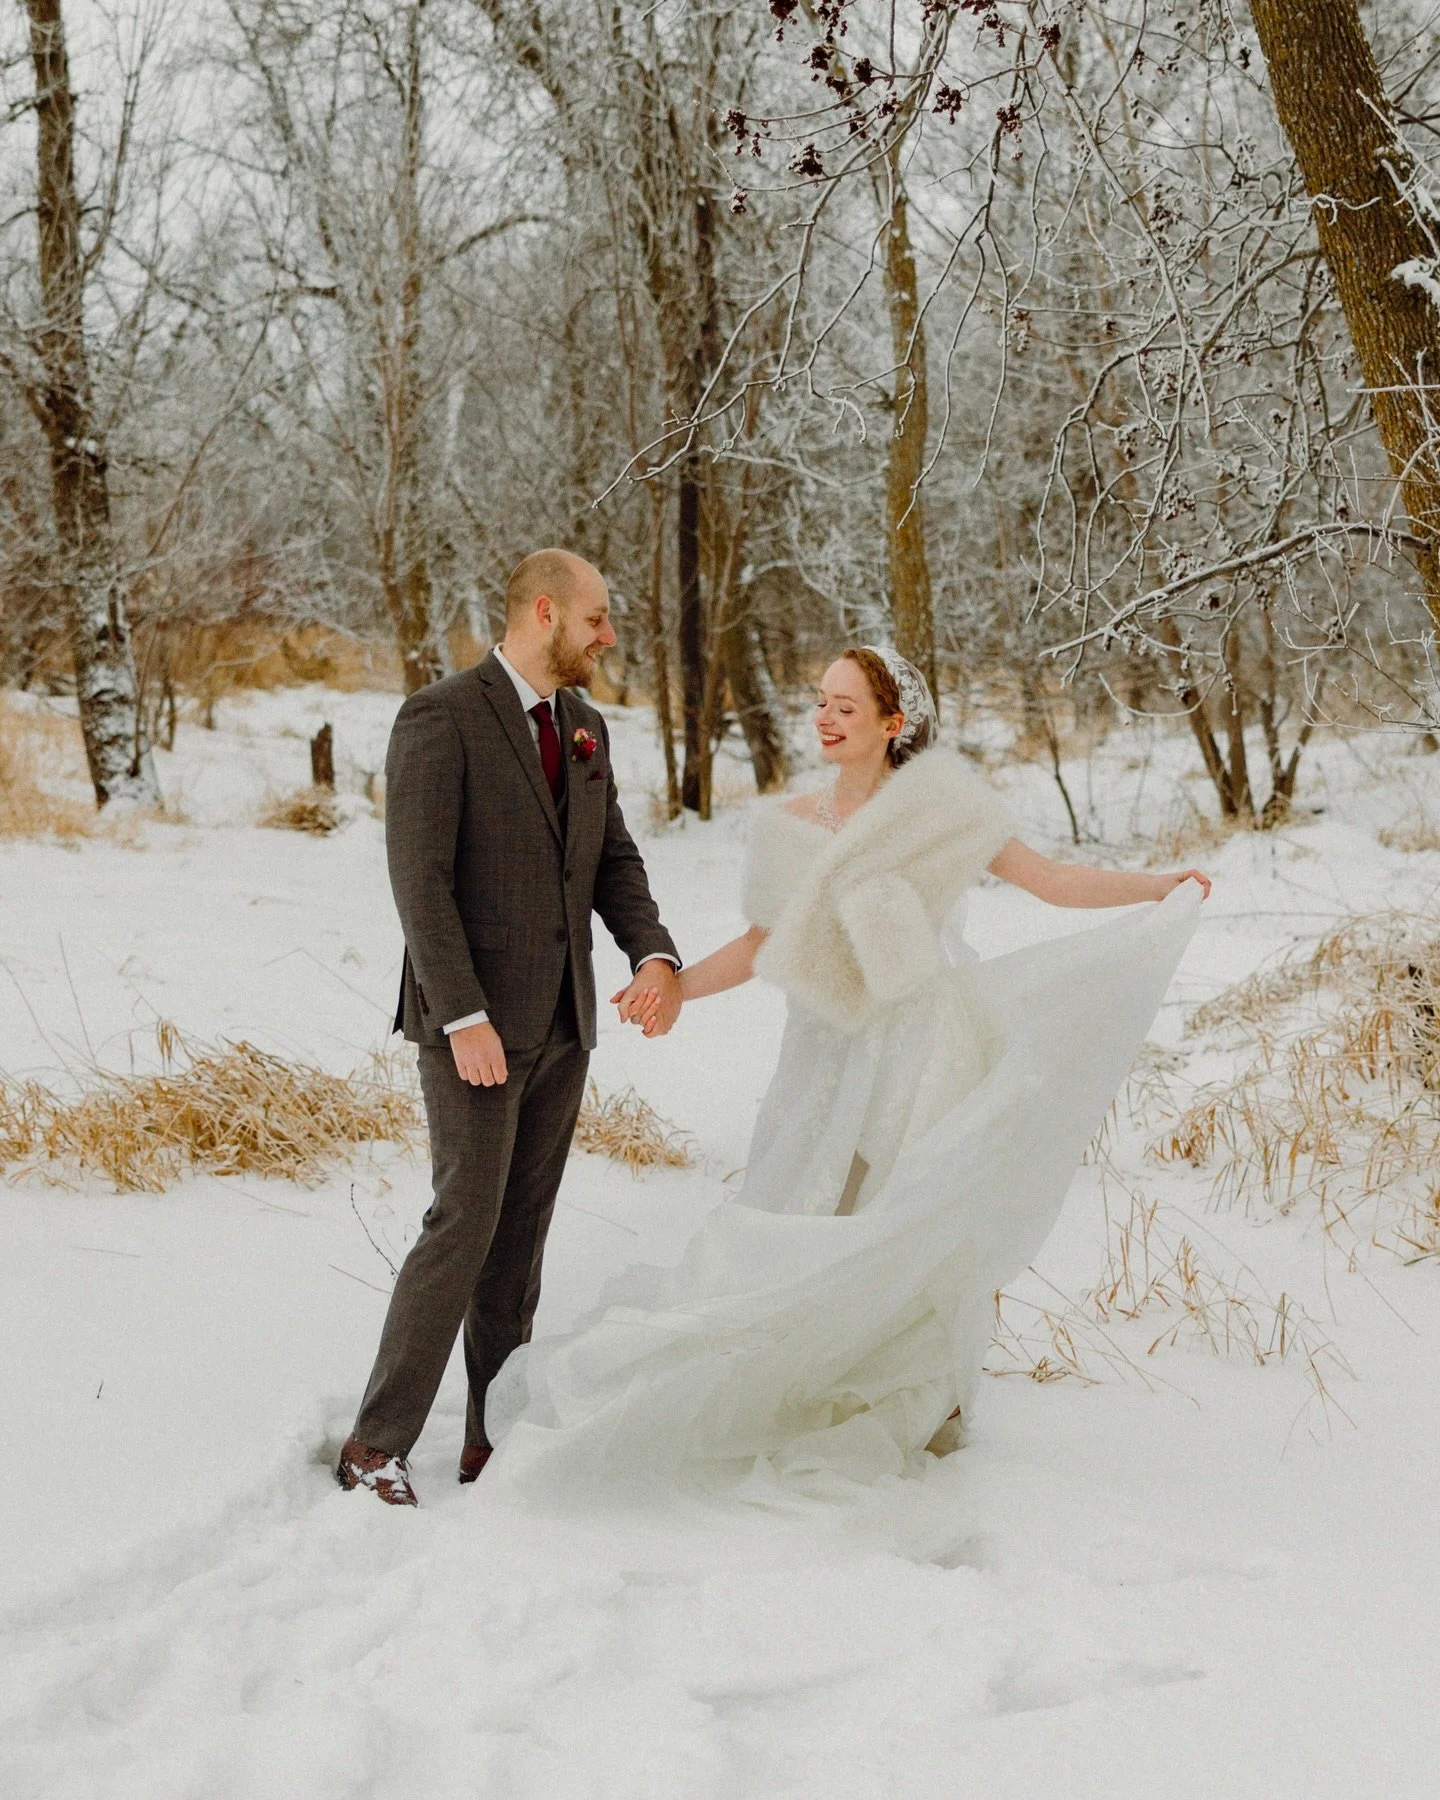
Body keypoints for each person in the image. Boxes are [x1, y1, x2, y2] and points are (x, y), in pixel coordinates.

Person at [481, 646, 1209, 1501]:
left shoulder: (942, 809)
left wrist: (1159, 886)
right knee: (803, 1210)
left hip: (919, 1045)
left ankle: (913, 1388)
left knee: (901, 1216)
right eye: (819, 701)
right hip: (825, 1053)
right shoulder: (791, 823)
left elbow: (1050, 881)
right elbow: (761, 947)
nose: (823, 718)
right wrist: (675, 986)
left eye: (845, 707)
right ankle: (788, 1380)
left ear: (893, 724)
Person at [336, 549, 682, 1507]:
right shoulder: (441, 716)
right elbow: (420, 883)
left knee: (521, 1236)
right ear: (544, 612)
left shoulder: (584, 728)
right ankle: (374, 1446)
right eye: (597, 619)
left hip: (565, 1022)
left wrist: (653, 953)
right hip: (474, 1030)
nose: (608, 636)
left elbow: (611, 855)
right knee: (465, 1223)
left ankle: (493, 1436)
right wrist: (463, 1017)